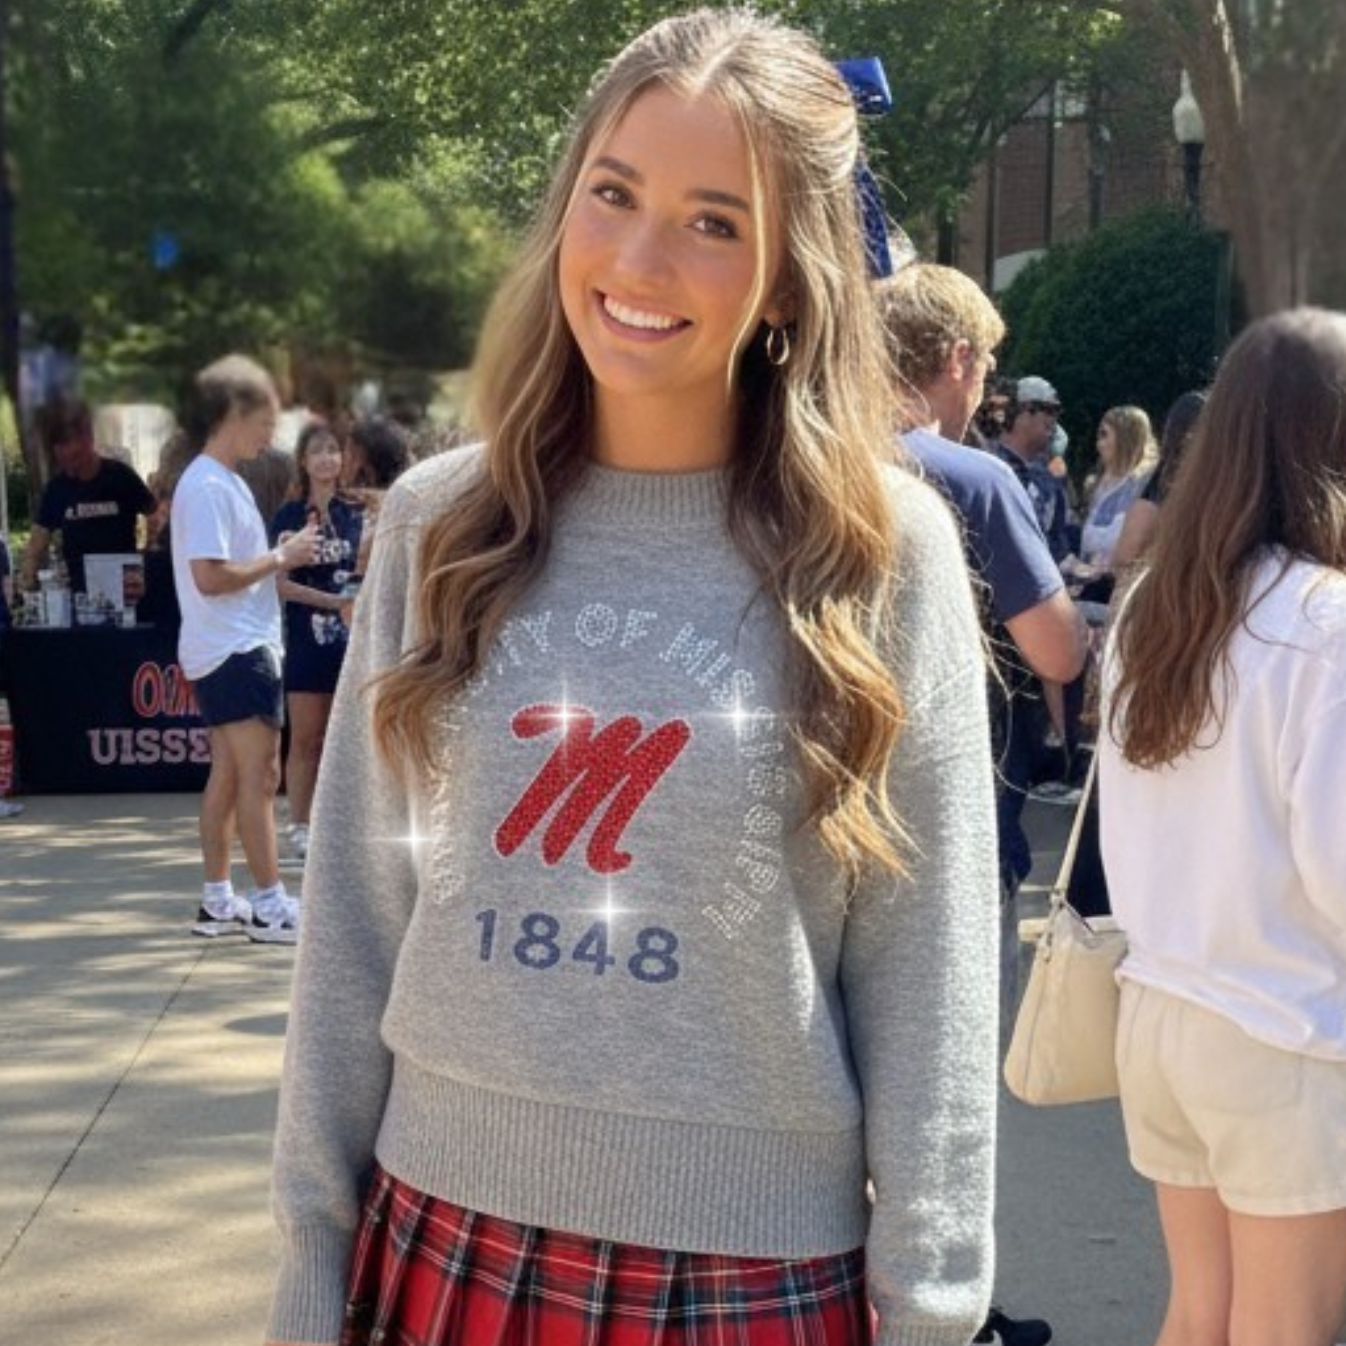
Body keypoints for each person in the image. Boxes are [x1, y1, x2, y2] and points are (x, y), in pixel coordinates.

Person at [266, 12, 999, 1346]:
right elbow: (358, 914)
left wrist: (938, 1303)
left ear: (790, 278)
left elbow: (929, 963)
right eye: (613, 194)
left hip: (750, 1279)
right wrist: (308, 1257)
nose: (639, 259)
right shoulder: (439, 522)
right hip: (438, 1238)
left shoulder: (882, 556)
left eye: (714, 221)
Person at [1100, 308, 1346, 1346]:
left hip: (1162, 1009)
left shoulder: (1158, 607)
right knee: (1283, 1325)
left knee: (1199, 1310)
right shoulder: (1324, 621)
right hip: (1283, 1026)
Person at [878, 261, 1086, 1346]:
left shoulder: (798, 455)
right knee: (939, 1093)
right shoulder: (971, 476)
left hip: (805, 807)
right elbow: (1052, 642)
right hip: (948, 809)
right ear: (955, 360)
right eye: (985, 366)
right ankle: (947, 1314)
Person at [170, 354, 320, 944]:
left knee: (232, 775)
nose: (271, 434)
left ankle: (218, 900)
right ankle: (268, 904)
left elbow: (224, 569)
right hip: (235, 648)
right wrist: (281, 557)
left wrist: (275, 555)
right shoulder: (208, 483)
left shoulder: (214, 481)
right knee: (260, 776)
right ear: (234, 412)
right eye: (266, 420)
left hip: (225, 646)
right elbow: (210, 575)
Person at [269, 421, 364, 862]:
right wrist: (330, 601)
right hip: (306, 638)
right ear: (303, 462)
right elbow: (279, 584)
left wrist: (355, 600)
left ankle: (340, 827)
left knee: (344, 740)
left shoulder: (357, 512)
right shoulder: (289, 517)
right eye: (317, 452)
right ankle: (299, 826)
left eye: (333, 450)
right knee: (305, 738)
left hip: (353, 641)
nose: (327, 459)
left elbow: (370, 571)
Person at [20, 397, 156, 595]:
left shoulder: (120, 476)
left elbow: (155, 514)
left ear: (89, 441)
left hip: (125, 591)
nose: (69, 465)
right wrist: (28, 578)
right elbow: (37, 542)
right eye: (62, 459)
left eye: (75, 457)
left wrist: (148, 558)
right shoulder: (56, 489)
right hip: (79, 596)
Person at [1065, 404, 1158, 601]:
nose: (1098, 443)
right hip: (1085, 584)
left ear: (1126, 437)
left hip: (1121, 590)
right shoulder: (1094, 483)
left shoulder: (1146, 485)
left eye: (1104, 434)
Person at [989, 377, 1072, 562]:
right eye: (1050, 410)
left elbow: (1056, 544)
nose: (1055, 420)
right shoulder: (988, 468)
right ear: (1023, 411)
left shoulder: (1049, 477)